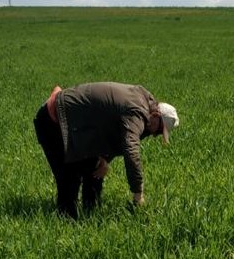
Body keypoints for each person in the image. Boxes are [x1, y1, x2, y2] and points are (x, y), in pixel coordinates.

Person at [33, 82, 179, 219]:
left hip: (76, 124)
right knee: (69, 178)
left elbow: (111, 128)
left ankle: (90, 215)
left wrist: (104, 158)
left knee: (95, 169)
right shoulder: (137, 113)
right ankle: (66, 223)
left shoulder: (141, 102)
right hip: (54, 119)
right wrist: (138, 193)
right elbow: (131, 150)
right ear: (156, 116)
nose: (155, 135)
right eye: (159, 131)